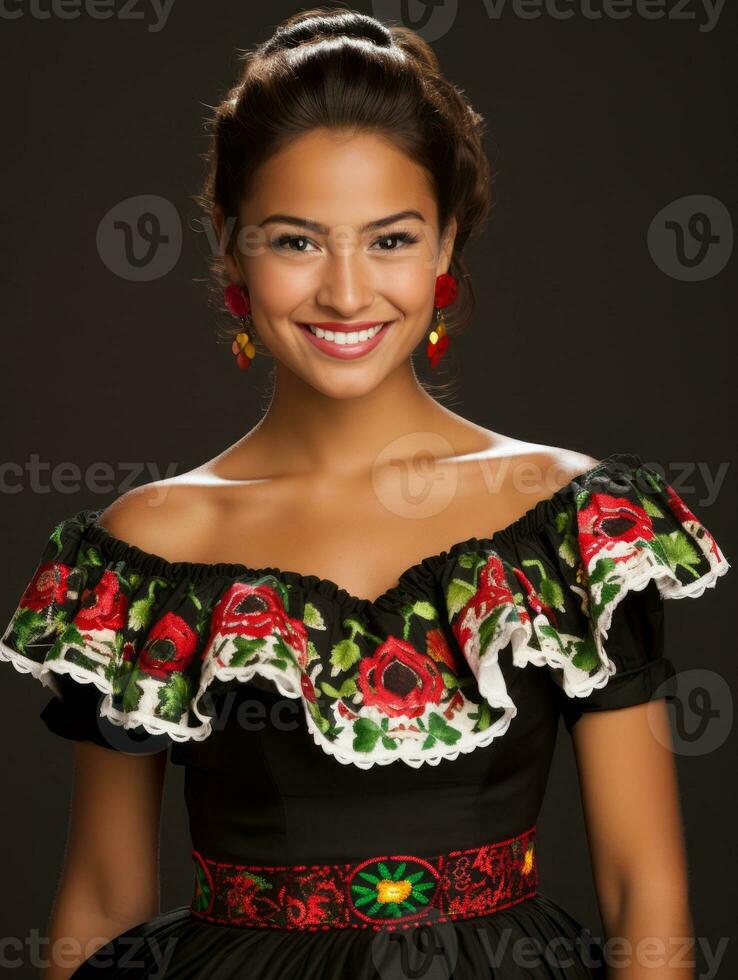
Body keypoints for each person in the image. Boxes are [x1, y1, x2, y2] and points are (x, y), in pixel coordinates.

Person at [0, 7, 731, 979]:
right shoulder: (148, 546)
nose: (347, 293)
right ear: (229, 245)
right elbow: (100, 892)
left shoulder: (576, 525)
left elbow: (648, 893)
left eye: (389, 239)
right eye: (297, 241)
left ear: (445, 244)